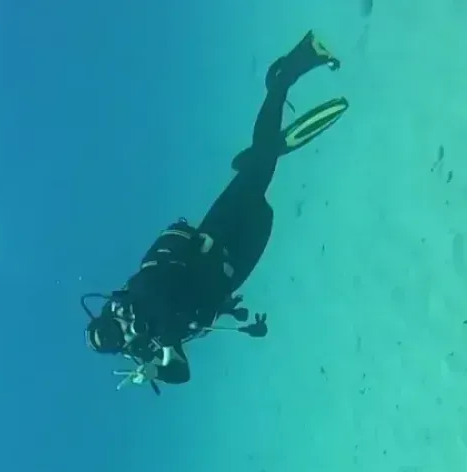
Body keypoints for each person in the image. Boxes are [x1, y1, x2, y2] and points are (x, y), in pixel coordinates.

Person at [82, 31, 348, 392]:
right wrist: (155, 370)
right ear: (122, 349)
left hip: (216, 235)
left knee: (261, 171)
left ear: (110, 312)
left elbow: (164, 291)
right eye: (119, 337)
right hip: (234, 267)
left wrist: (160, 333)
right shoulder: (154, 343)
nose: (126, 326)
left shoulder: (139, 297)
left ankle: (285, 74)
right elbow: (181, 372)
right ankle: (260, 149)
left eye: (117, 323)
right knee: (262, 184)